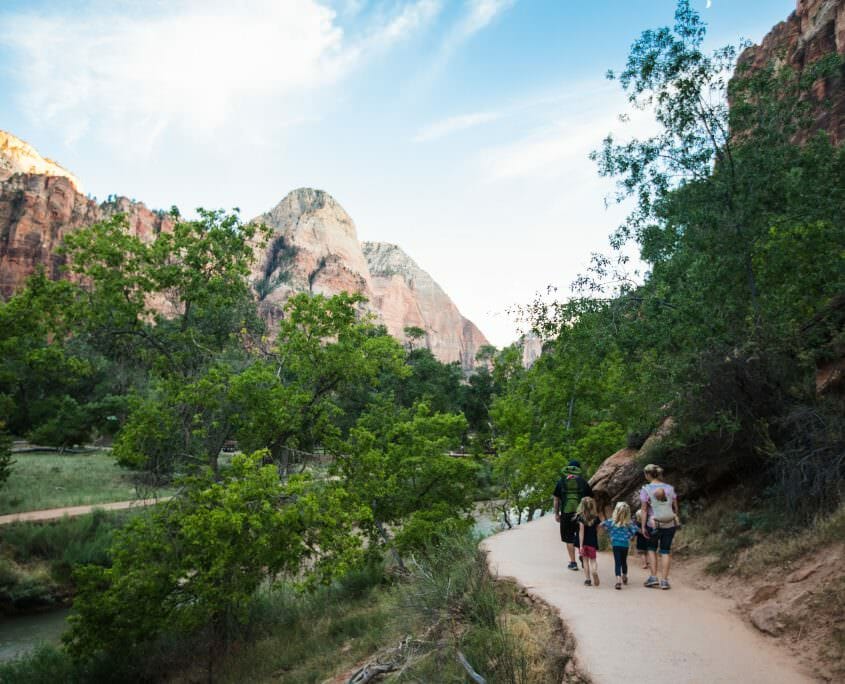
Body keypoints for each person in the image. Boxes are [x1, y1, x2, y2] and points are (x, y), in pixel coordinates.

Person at [639, 463, 680, 590]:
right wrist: (672, 517)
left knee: (651, 549)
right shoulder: (669, 488)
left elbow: (644, 510)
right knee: (665, 551)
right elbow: (675, 508)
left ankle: (653, 577)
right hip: (670, 523)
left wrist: (643, 527)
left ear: (647, 474)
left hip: (654, 524)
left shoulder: (646, 489)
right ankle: (664, 581)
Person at [553, 460, 593, 571]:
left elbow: (556, 499)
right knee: (582, 535)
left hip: (566, 514)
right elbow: (590, 498)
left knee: (568, 538)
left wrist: (557, 513)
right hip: (581, 513)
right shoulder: (583, 482)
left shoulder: (561, 482)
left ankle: (573, 562)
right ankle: (582, 554)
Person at [600, 502, 639, 590]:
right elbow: (635, 531)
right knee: (624, 561)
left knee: (617, 562)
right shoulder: (629, 523)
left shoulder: (611, 521)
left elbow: (602, 524)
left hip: (615, 545)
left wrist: (609, 531)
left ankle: (618, 581)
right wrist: (630, 536)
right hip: (625, 545)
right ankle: (624, 575)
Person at [576, 496, 601, 586]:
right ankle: (594, 571)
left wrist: (581, 545)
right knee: (593, 560)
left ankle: (588, 580)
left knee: (585, 561)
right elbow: (597, 530)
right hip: (592, 542)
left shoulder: (580, 517)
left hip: (584, 543)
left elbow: (581, 532)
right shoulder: (596, 517)